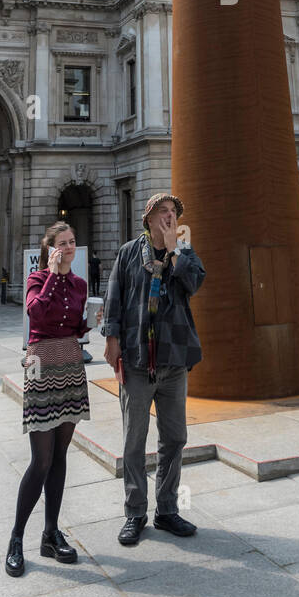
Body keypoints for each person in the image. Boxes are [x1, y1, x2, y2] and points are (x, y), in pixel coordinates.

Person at [101, 192, 206, 547]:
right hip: (136, 358)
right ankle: (135, 512)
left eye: (173, 212)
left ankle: (166, 510)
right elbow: (114, 297)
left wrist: (176, 248)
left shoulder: (184, 253)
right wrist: (111, 339)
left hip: (174, 358)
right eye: (162, 211)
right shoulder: (129, 252)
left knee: (175, 438)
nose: (169, 216)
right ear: (148, 218)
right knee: (135, 439)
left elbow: (194, 283)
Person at [6, 221, 90, 576]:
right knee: (40, 460)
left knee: (59, 456)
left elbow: (71, 325)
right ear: (49, 248)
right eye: (62, 244)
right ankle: (15, 539)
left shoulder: (81, 285)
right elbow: (36, 314)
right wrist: (54, 275)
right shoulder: (38, 280)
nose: (69, 248)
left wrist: (90, 324)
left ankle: (51, 533)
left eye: (72, 242)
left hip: (70, 361)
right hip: (41, 362)